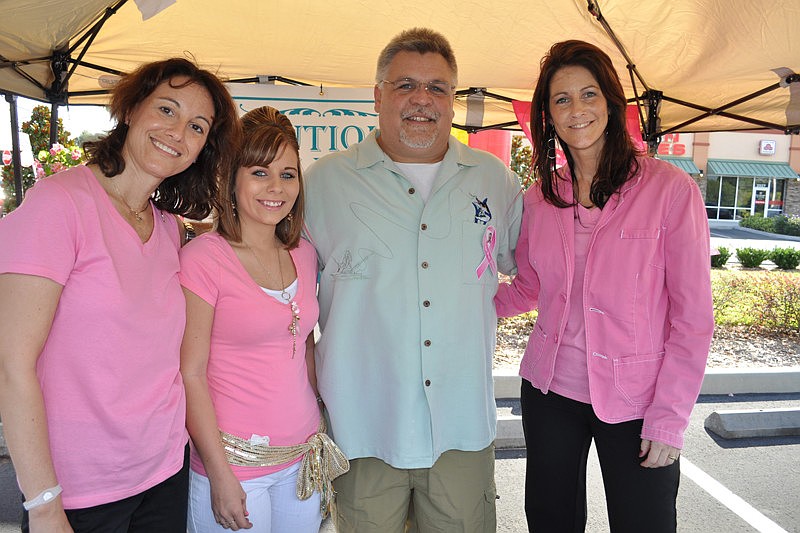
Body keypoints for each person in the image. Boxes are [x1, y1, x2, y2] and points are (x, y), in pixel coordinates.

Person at [0, 57, 240, 532]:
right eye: (166, 109)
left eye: (196, 126)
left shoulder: (169, 228)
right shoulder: (59, 203)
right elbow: (11, 365)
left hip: (163, 472)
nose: (177, 132)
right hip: (78, 490)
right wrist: (44, 504)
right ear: (131, 109)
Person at [303, 27, 523, 532]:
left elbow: (533, 273)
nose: (422, 99)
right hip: (361, 430)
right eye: (405, 85)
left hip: (461, 430)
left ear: (452, 100)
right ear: (378, 95)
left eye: (437, 88)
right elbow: (286, 303)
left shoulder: (495, 181)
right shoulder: (322, 184)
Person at [494, 40, 715, 532]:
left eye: (588, 94)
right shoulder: (539, 198)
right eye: (562, 99)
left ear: (612, 102)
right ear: (548, 116)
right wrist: (460, 303)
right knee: (550, 521)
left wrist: (669, 419)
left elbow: (693, 319)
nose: (577, 109)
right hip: (549, 391)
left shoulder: (669, 191)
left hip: (638, 399)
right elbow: (528, 288)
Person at [179, 106, 347, 533]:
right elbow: (190, 373)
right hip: (234, 465)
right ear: (231, 178)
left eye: (288, 174)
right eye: (259, 172)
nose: (276, 187)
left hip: (302, 457)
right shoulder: (203, 259)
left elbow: (304, 344)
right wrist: (218, 473)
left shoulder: (304, 254)